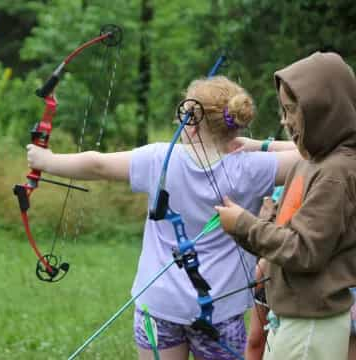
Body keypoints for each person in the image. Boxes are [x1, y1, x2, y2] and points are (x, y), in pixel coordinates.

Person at [27, 76, 299, 360]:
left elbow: (98, 164)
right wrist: (259, 145)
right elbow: (311, 154)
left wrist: (45, 160)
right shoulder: (253, 167)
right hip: (220, 309)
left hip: (158, 307)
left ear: (190, 124)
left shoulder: (160, 158)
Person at [216, 52, 356, 360]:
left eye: (292, 110)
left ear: (323, 111)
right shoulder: (309, 163)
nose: (284, 120)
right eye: (283, 110)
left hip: (312, 324)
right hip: (293, 318)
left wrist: (244, 224)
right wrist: (257, 223)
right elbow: (285, 239)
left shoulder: (335, 173)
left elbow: (303, 250)